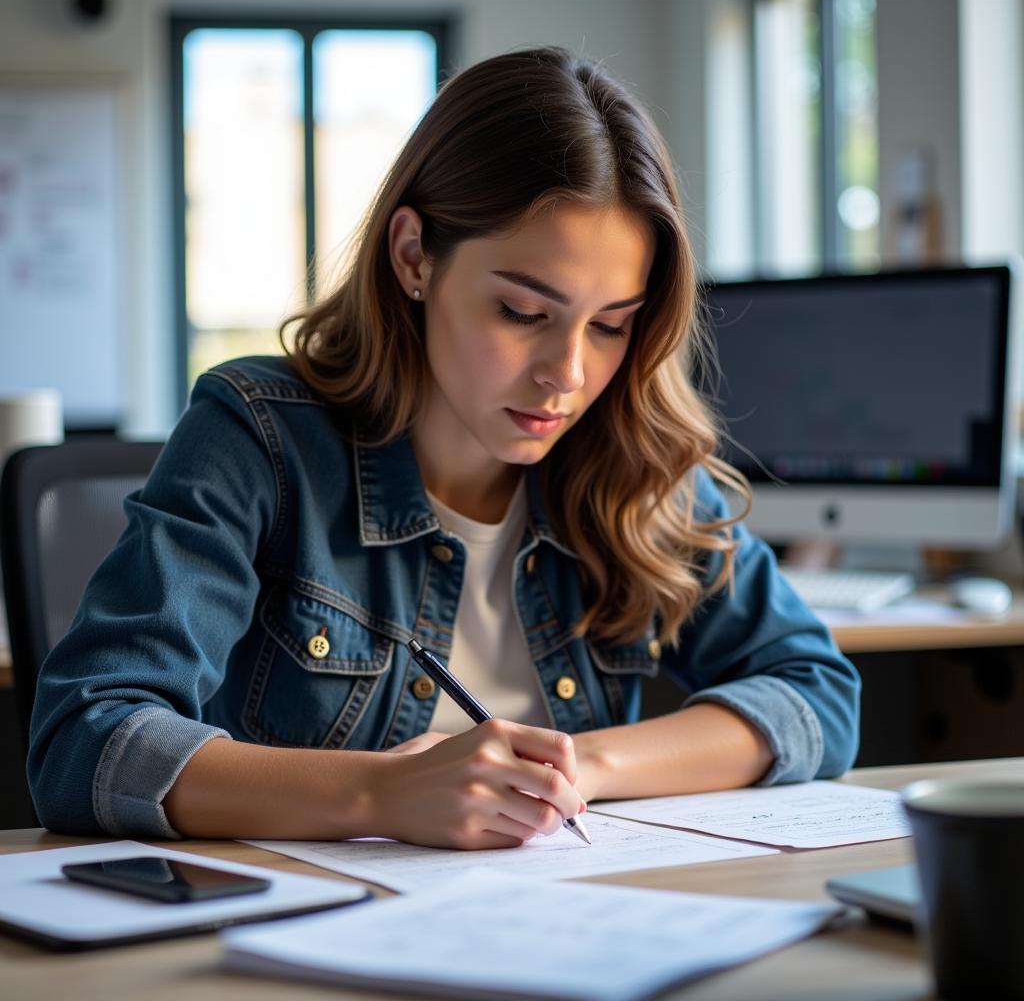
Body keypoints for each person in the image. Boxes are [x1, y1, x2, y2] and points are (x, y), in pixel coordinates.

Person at [28, 46, 859, 849]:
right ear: (414, 256)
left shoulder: (631, 458)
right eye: (522, 313)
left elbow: (818, 694)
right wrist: (380, 793)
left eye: (610, 325)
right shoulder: (258, 435)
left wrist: (583, 766)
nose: (566, 376)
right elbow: (85, 740)